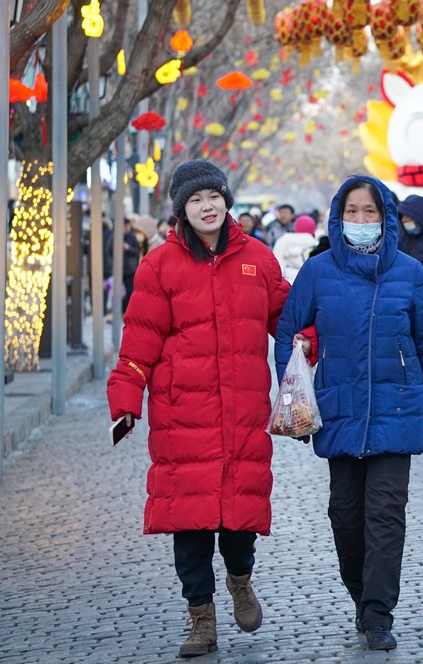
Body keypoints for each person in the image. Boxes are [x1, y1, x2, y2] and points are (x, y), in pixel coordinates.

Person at [107, 160, 315, 659]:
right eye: (196, 200)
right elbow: (139, 342)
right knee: (191, 524)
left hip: (242, 411)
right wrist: (125, 402)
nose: (207, 206)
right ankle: (201, 619)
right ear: (182, 209)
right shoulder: (159, 266)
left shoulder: (257, 259)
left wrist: (306, 341)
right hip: (183, 414)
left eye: (214, 197)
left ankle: (240, 581)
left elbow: (286, 320)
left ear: (226, 201)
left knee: (240, 515)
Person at [274, 175, 423, 652]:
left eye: (369, 211)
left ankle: (378, 613)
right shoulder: (318, 270)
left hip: (398, 409)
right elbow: (288, 331)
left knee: (387, 515)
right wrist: (294, 391)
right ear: (338, 217)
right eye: (351, 211)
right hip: (340, 410)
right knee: (346, 518)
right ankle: (360, 594)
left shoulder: (410, 271)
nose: (360, 220)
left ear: (386, 217)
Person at [272, 215, 318, 284]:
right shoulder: (315, 244)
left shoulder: (283, 241)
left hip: (286, 283)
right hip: (308, 283)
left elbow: (276, 263)